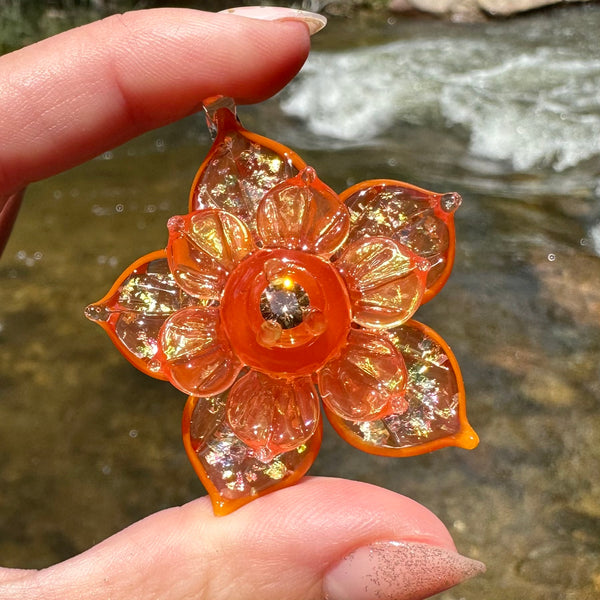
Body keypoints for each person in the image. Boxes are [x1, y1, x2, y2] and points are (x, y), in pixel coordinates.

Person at [0, 7, 485, 599]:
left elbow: (418, 229)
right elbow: (142, 312)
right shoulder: (219, 327)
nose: (287, 314)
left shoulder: (366, 332)